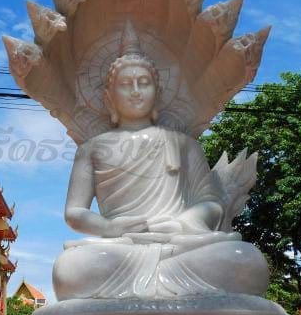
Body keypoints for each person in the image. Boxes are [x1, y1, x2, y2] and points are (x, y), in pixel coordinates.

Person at [53, 52, 268, 300]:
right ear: (108, 98)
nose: (135, 91)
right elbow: (74, 212)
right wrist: (109, 227)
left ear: (158, 93)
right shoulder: (91, 149)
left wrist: (182, 223)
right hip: (121, 249)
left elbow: (211, 204)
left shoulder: (184, 145)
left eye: (144, 83)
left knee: (244, 260)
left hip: (181, 244)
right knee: (70, 270)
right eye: (125, 84)